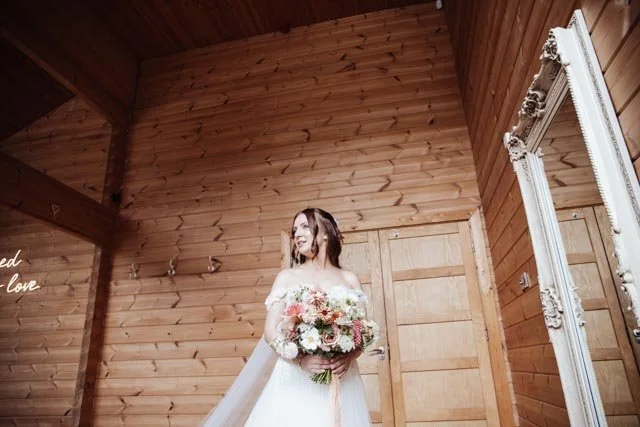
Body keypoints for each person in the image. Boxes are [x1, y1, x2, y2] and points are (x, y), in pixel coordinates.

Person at [200, 208, 371, 426]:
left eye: (304, 227)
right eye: (294, 230)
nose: (297, 234)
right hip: (296, 376)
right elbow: (271, 331)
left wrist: (349, 357)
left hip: (341, 378)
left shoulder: (349, 279)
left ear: (326, 231)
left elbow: (363, 330)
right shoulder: (288, 277)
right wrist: (301, 360)